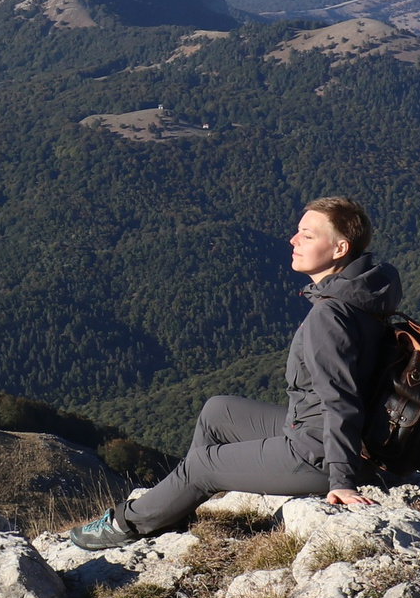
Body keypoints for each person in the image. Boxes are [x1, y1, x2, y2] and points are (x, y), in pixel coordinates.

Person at [68, 196, 401, 548]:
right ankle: (178, 506)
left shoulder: (329, 316)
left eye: (306, 235)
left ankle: (127, 523)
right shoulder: (362, 292)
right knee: (219, 410)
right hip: (317, 431)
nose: (293, 240)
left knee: (201, 466)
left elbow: (340, 402)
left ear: (339, 249)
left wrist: (341, 481)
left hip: (321, 453)